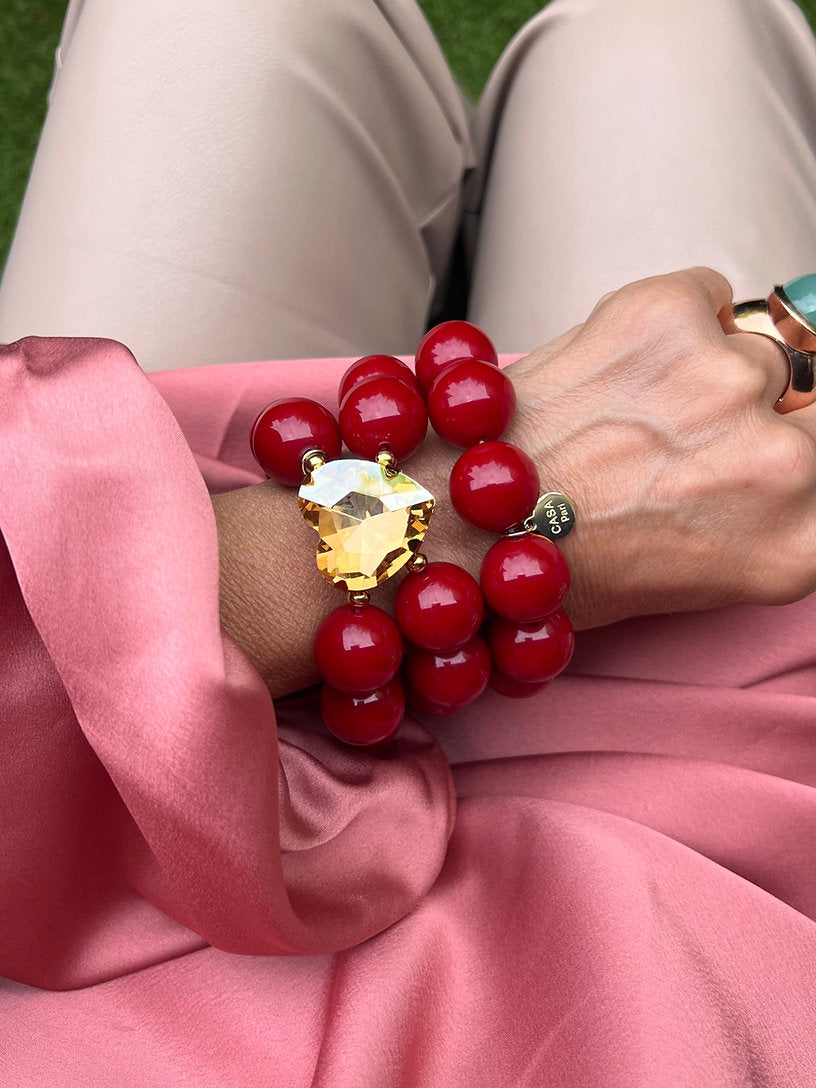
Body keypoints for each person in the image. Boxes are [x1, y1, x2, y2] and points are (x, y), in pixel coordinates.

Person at [1, 0, 816, 1084]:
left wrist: (370, 528)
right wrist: (494, 516)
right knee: (668, 30)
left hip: (102, 579)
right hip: (693, 896)